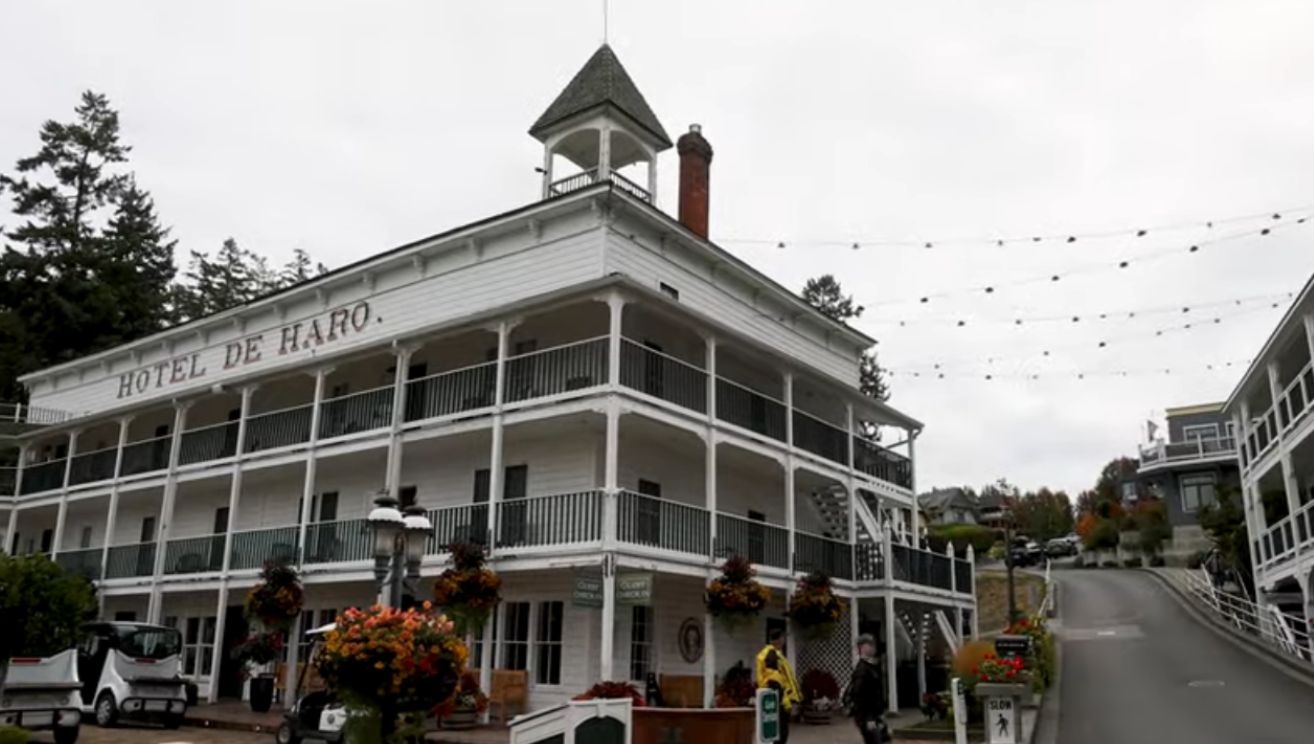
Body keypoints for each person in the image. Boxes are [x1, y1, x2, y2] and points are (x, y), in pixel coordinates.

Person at [756, 628, 801, 744]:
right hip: (778, 702)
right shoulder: (771, 655)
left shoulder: (777, 654)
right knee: (780, 735)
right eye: (783, 638)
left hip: (779, 700)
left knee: (781, 733)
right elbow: (774, 681)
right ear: (778, 640)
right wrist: (786, 703)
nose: (784, 641)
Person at [848, 634, 889, 744]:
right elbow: (859, 695)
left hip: (875, 715)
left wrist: (879, 713)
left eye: (872, 644)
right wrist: (868, 718)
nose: (873, 647)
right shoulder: (862, 669)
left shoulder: (870, 666)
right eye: (870, 644)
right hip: (867, 717)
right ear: (862, 647)